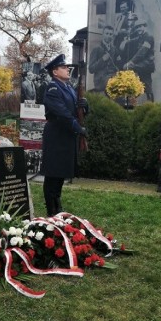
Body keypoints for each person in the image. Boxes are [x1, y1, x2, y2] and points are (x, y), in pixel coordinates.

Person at [40, 54, 88, 216]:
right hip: (56, 136)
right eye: (64, 67)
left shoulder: (68, 88)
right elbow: (62, 113)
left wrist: (84, 107)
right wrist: (77, 127)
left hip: (66, 136)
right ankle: (52, 210)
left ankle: (57, 206)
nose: (68, 69)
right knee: (53, 174)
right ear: (55, 72)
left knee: (60, 174)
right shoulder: (53, 88)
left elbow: (75, 111)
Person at [88, 25, 118, 92]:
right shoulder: (97, 48)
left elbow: (115, 65)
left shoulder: (113, 49)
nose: (109, 36)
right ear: (103, 34)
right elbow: (91, 69)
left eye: (110, 34)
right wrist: (102, 60)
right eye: (107, 33)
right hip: (100, 81)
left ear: (112, 36)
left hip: (112, 77)